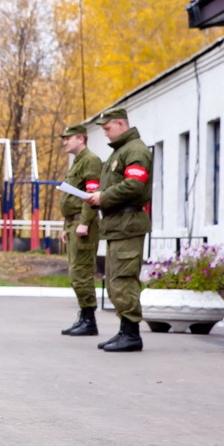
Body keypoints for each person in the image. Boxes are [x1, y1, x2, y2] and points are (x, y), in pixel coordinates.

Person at [86, 107, 152, 353]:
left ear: (121, 124)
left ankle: (132, 334)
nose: (105, 134)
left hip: (128, 224)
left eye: (107, 128)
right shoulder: (121, 151)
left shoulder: (135, 150)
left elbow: (135, 185)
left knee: (123, 279)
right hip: (117, 226)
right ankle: (125, 330)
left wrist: (103, 197)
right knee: (114, 280)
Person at [58, 123, 102, 337]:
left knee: (82, 272)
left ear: (81, 138)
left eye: (69, 138)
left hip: (83, 224)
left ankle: (89, 319)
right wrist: (66, 226)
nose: (65, 142)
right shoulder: (78, 162)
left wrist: (84, 222)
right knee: (75, 272)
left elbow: (92, 195)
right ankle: (84, 316)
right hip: (73, 223)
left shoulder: (91, 161)